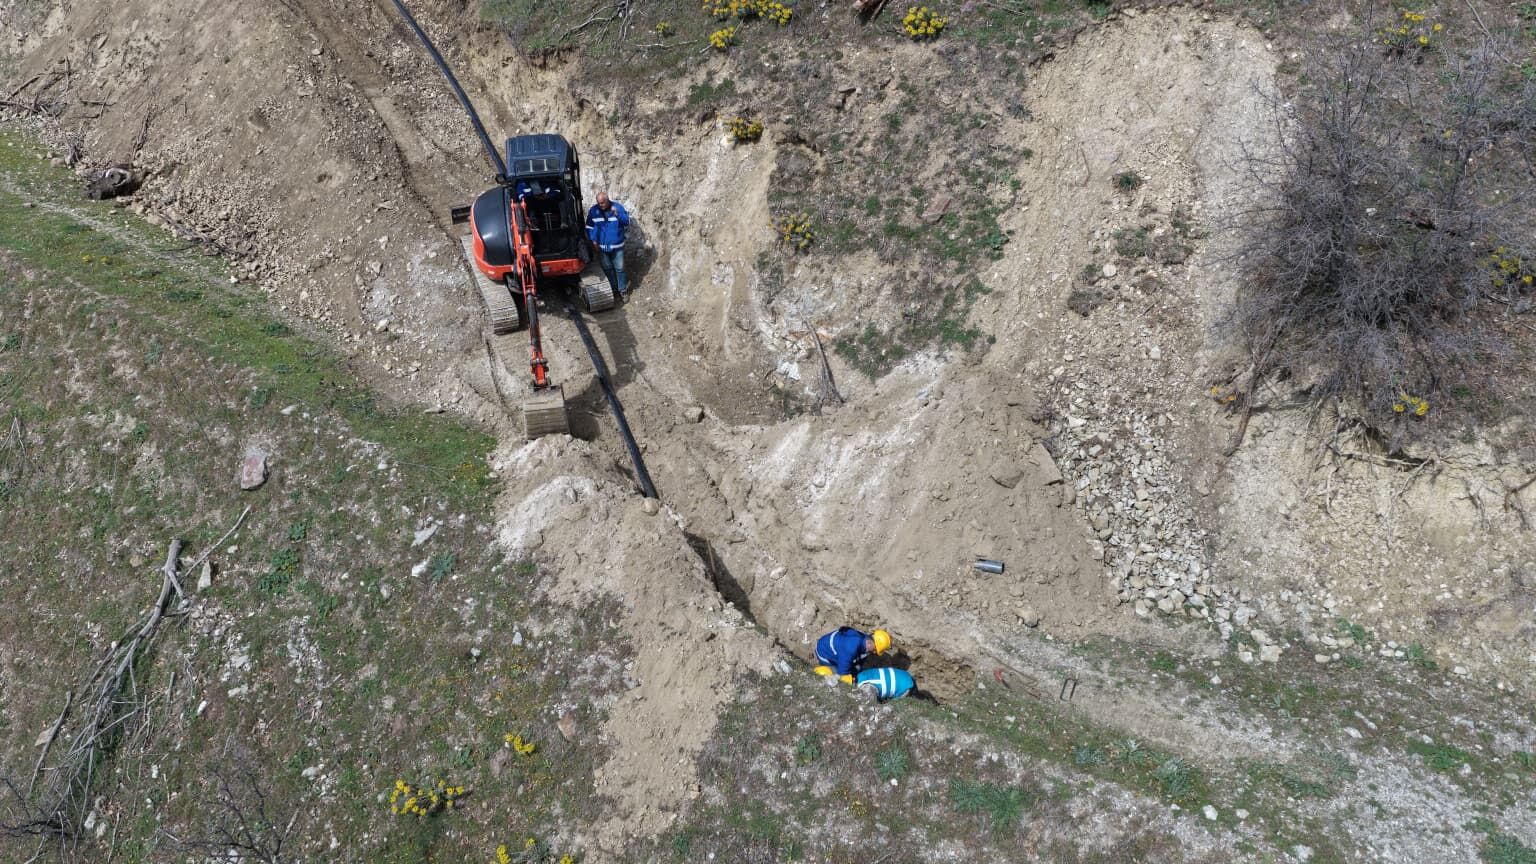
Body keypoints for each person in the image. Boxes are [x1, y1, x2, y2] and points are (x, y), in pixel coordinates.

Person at [585, 189, 631, 297]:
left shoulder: (618, 207)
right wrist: (593, 240)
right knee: (608, 268)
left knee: (620, 268)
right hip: (602, 248)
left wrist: (617, 215)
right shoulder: (593, 211)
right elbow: (589, 227)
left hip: (617, 246)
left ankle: (622, 290)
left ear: (607, 200)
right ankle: (614, 289)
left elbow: (627, 222)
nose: (600, 205)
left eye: (602, 203)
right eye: (598, 203)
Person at [813, 626, 892, 682]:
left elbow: (859, 662)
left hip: (841, 652)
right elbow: (843, 673)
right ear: (870, 643)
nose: (874, 652)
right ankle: (822, 669)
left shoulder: (865, 641)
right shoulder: (851, 647)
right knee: (836, 678)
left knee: (856, 670)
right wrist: (851, 682)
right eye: (875, 649)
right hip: (824, 653)